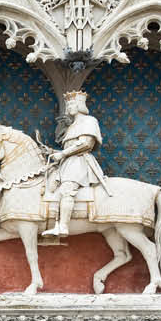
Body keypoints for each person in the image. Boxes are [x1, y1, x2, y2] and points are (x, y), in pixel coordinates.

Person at [42, 91, 108, 237]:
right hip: (67, 162)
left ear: (80, 105)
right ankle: (56, 223)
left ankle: (63, 227)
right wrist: (53, 151)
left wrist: (62, 154)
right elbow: (69, 146)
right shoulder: (73, 125)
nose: (69, 107)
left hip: (79, 161)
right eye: (68, 104)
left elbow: (85, 144)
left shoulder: (89, 121)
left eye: (72, 104)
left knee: (67, 189)